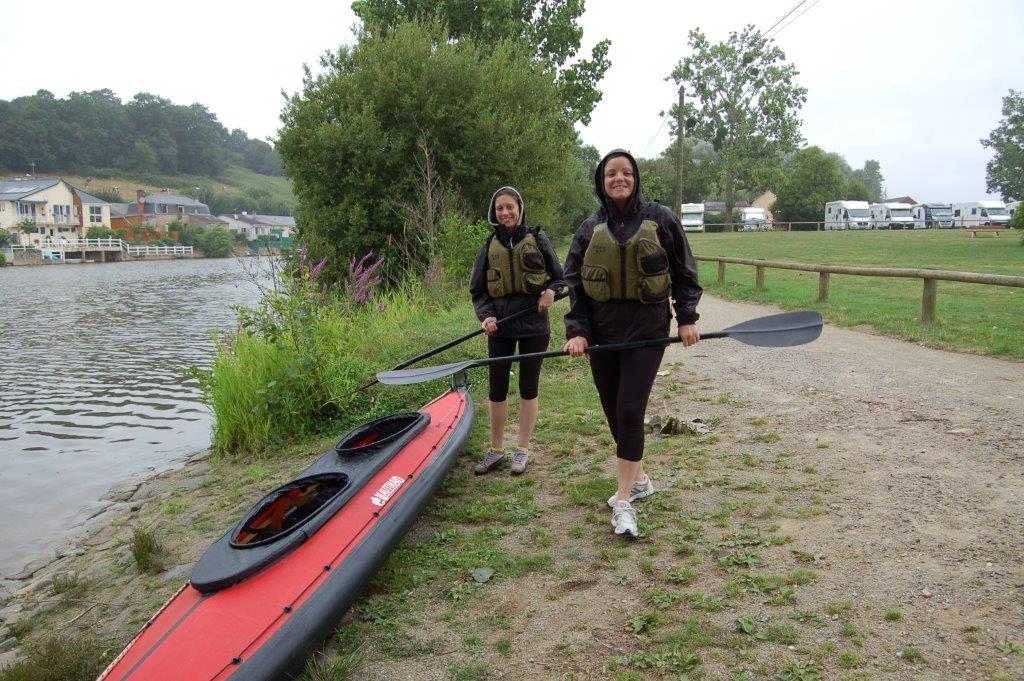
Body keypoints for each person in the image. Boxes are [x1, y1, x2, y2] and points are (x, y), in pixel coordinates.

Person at [562, 150, 702, 537]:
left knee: (628, 411)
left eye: (626, 172)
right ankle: (639, 479)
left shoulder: (661, 219)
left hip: (647, 331)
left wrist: (687, 317)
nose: (619, 178)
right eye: (611, 174)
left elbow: (685, 271)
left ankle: (624, 501)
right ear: (601, 181)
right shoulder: (589, 229)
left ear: (636, 177)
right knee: (613, 413)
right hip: (604, 336)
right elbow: (574, 285)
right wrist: (578, 331)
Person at [469, 186, 565, 475]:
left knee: (528, 387)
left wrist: (551, 292)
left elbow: (562, 279)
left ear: (519, 208)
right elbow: (478, 290)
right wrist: (486, 317)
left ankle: (522, 450)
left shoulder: (537, 239)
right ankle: (496, 450)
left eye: (510, 207)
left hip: (534, 326)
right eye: (500, 208)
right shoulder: (488, 246)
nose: (505, 212)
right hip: (501, 328)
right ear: (494, 213)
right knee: (497, 391)